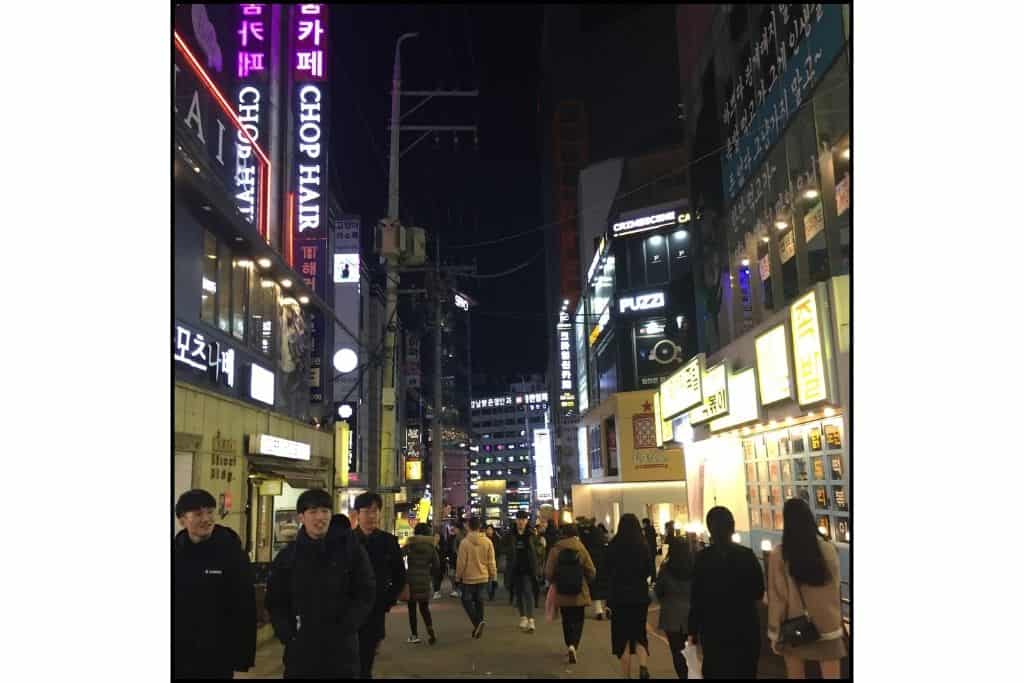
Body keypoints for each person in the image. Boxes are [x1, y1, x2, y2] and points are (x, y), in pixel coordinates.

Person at [264, 489, 375, 679]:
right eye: (313, 512)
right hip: (301, 650)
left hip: (342, 650)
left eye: (325, 511)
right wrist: (288, 634)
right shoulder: (288, 557)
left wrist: (348, 625)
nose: (320, 517)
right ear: (301, 517)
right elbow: (276, 600)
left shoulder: (350, 551)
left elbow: (366, 590)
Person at [174, 489, 257, 679]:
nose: (206, 519)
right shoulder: (175, 553)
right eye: (198, 514)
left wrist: (242, 656)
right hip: (179, 653)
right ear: (182, 520)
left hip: (217, 654)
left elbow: (245, 606)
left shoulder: (231, 553)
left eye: (210, 512)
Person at [767, 498, 848, 679]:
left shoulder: (779, 554)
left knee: (796, 675)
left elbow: (778, 598)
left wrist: (774, 632)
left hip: (795, 628)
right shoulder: (828, 549)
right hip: (828, 626)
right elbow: (835, 588)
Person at [687, 506, 765, 679]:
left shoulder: (702, 559)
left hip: (713, 629)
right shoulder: (747, 555)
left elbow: (696, 598)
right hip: (745, 627)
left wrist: (692, 630)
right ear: (732, 527)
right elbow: (759, 591)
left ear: (710, 530)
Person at [352, 492, 407, 679]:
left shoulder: (388, 541)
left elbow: (399, 575)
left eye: (375, 511)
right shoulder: (347, 541)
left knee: (366, 660)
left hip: (375, 610)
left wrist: (387, 600)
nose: (372, 516)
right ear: (357, 514)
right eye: (367, 511)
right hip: (349, 609)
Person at [605, 514, 654, 679]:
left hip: (619, 598)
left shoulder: (613, 546)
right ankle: (643, 666)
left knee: (622, 640)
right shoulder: (643, 545)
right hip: (639, 596)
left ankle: (626, 676)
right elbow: (649, 570)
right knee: (640, 634)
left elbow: (607, 571)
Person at [545, 523, 597, 665]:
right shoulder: (581, 548)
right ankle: (575, 645)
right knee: (578, 619)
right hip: (579, 591)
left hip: (562, 590)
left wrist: (554, 581)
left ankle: (569, 645)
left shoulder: (556, 549)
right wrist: (587, 581)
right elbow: (591, 570)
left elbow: (548, 572)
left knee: (567, 619)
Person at [655, 537, 695, 679]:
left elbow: (658, 590)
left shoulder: (666, 568)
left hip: (671, 614)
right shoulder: (694, 567)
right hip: (692, 614)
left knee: (676, 651)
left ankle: (683, 675)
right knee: (692, 650)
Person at [455, 517, 497, 639]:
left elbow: (461, 562)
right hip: (483, 577)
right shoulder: (487, 542)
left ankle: (477, 623)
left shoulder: (464, 543)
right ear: (480, 527)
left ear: (468, 526)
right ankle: (479, 627)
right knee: (479, 601)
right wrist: (493, 575)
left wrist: (458, 577)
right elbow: (491, 561)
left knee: (466, 600)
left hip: (468, 577)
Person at [504, 511, 542, 632]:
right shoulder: (510, 534)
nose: (521, 522)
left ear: (527, 521)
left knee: (528, 591)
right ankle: (523, 617)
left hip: (528, 568)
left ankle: (531, 619)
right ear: (516, 520)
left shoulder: (531, 534)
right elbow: (503, 547)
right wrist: (509, 554)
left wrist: (537, 560)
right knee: (518, 593)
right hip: (515, 567)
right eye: (519, 519)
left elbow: (539, 549)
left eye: (523, 519)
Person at [403, 523, 441, 645]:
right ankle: (430, 630)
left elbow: (399, 557)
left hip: (411, 580)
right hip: (424, 579)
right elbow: (437, 565)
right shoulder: (431, 547)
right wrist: (429, 573)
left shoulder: (410, 545)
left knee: (412, 609)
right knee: (424, 608)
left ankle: (414, 635)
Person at [589, 522, 611, 621]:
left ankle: (599, 611)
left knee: (596, 592)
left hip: (595, 572)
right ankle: (608, 608)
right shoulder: (606, 547)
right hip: (605, 572)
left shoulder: (590, 549)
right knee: (607, 591)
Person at [484, 524, 502, 600]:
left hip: (495, 559)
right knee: (489, 578)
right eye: (488, 529)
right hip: (486, 560)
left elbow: (499, 549)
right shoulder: (484, 539)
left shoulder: (497, 538)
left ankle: (492, 592)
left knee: (493, 577)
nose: (489, 531)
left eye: (490, 529)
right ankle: (490, 592)